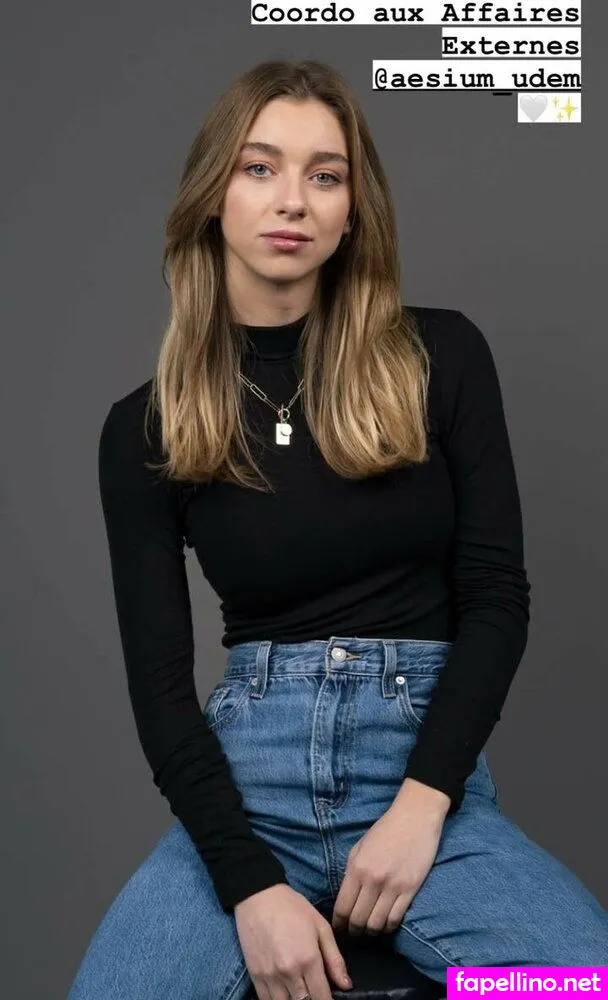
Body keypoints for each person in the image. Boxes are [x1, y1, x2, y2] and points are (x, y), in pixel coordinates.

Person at [67, 58, 608, 1000]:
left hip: (421, 779)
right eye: (260, 167)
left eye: (325, 175)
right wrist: (249, 885)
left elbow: (496, 599)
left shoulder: (440, 355)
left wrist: (421, 808)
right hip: (246, 793)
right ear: (213, 195)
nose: (294, 200)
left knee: (577, 984)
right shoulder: (146, 426)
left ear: (353, 211)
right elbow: (159, 690)